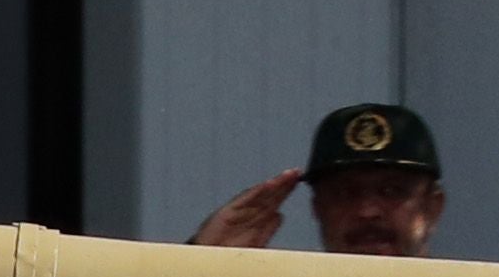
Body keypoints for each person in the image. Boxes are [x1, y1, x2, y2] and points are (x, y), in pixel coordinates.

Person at [187, 105, 447, 259]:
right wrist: (200, 271)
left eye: (392, 191)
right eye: (346, 193)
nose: (367, 211)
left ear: (433, 207)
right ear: (317, 208)